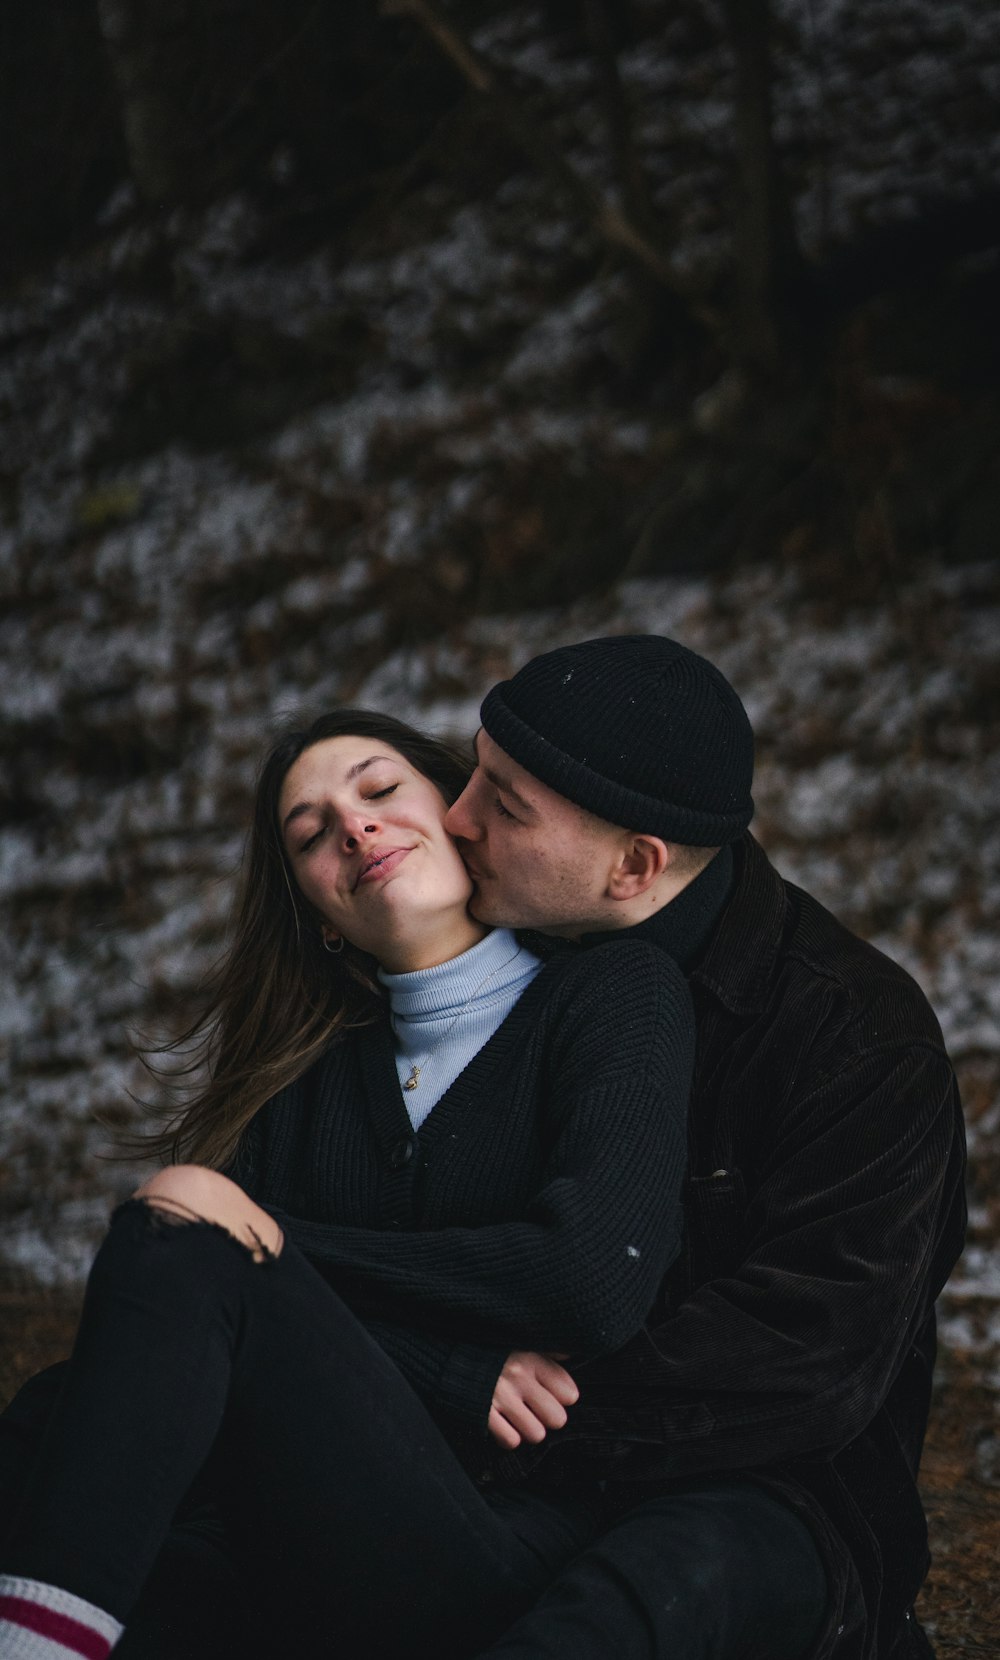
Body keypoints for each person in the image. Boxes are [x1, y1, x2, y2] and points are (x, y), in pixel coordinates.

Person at [0, 709, 695, 1660]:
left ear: (460, 814)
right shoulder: (302, 1083)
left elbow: (588, 1277)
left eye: (378, 793)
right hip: (294, 1547)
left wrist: (263, 1237)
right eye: (311, 836)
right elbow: (229, 1331)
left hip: (497, 1556)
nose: (355, 830)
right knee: (52, 1420)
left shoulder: (613, 997)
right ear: (320, 914)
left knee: (185, 1235)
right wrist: (443, 1368)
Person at [424, 633, 963, 1660]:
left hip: (773, 1499)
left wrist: (505, 1429)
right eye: (472, 773)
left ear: (635, 864)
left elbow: (805, 1360)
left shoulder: (853, 1037)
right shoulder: (477, 952)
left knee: (625, 1609)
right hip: (490, 1437)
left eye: (504, 802)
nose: (457, 819)